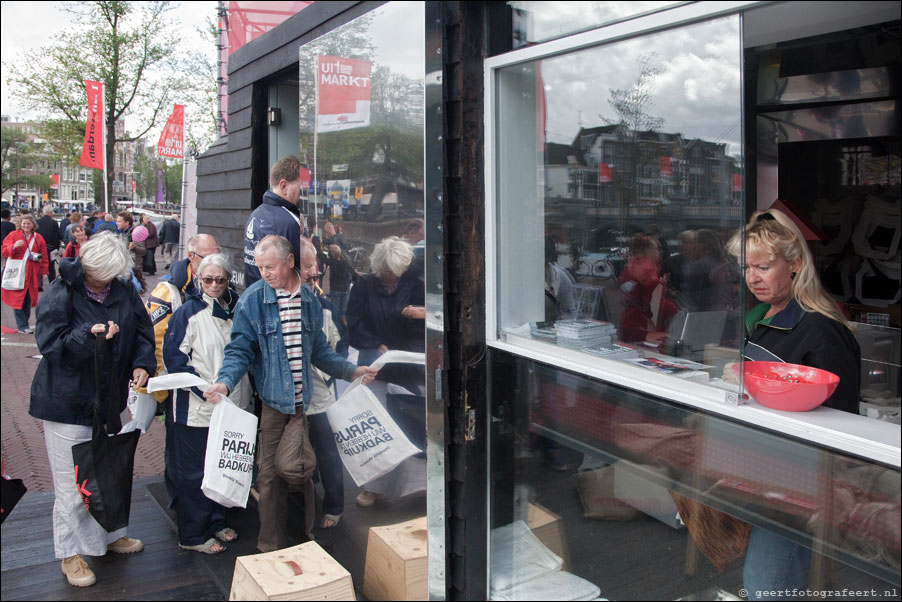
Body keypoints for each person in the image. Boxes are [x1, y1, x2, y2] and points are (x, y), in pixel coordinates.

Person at [205, 235, 377, 552]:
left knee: (302, 472)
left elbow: (321, 352)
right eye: (259, 267)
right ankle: (269, 544)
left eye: (269, 266)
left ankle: (304, 538)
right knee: (269, 475)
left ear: (289, 262)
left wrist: (351, 371)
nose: (264, 273)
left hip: (304, 404)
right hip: (273, 403)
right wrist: (225, 382)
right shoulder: (253, 300)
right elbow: (239, 350)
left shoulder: (310, 301)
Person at [725, 209, 861, 600]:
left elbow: (840, 422)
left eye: (763, 267)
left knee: (765, 586)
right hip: (764, 469)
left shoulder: (821, 331)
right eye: (746, 267)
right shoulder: (762, 317)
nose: (752, 278)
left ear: (796, 264)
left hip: (798, 480)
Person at [28, 232, 156, 587]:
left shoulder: (122, 289)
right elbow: (50, 344)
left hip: (107, 399)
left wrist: (142, 362)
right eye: (102, 275)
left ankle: (109, 535)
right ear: (88, 266)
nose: (107, 282)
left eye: (113, 275)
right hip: (67, 400)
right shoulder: (63, 289)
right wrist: (90, 334)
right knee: (73, 483)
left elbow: (143, 331)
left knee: (107, 470)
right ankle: (71, 553)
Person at [163, 253, 249, 554]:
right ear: (198, 279)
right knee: (194, 472)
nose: (213, 285)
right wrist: (203, 389)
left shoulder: (238, 309)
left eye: (220, 279)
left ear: (228, 280)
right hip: (196, 409)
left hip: (232, 405)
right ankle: (192, 533)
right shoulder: (186, 313)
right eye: (207, 279)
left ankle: (215, 520)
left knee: (222, 466)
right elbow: (174, 359)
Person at [346, 236, 425, 507]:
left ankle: (420, 484)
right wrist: (374, 343)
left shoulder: (416, 283)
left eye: (398, 270)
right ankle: (374, 487)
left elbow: (436, 319)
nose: (394, 276)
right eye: (389, 271)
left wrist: (421, 315)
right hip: (376, 364)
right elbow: (354, 323)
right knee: (377, 430)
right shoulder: (364, 286)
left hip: (409, 365)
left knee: (411, 426)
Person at [146, 233, 221, 511]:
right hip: (179, 389)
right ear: (192, 257)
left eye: (218, 253)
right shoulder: (169, 292)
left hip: (211, 392)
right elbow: (153, 339)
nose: (213, 260)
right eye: (206, 255)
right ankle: (179, 504)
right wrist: (159, 390)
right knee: (179, 454)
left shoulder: (221, 292)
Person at [243, 155, 305, 288]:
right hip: (279, 303)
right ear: (284, 186)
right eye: (302, 186)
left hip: (255, 298)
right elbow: (300, 271)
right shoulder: (288, 221)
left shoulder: (255, 214)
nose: (305, 192)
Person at [1, 214, 49, 333]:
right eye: (24, 224)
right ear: (20, 224)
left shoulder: (38, 238)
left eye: (28, 223)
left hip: (32, 272)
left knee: (28, 298)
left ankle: (25, 323)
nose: (26, 226)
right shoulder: (13, 235)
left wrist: (44, 271)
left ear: (33, 224)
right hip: (18, 272)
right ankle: (22, 325)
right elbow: (3, 250)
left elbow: (44, 255)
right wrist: (13, 247)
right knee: (18, 299)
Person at [323, 243, 358, 329]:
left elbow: (323, 258)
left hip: (335, 289)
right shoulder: (344, 263)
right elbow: (349, 274)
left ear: (331, 254)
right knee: (343, 310)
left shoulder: (331, 262)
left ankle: (335, 326)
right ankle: (343, 326)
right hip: (344, 289)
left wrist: (326, 251)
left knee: (335, 309)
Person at [37, 204, 62, 285]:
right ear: (50, 212)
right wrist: (57, 248)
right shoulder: (54, 223)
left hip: (38, 247)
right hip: (50, 247)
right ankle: (52, 283)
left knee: (38, 264)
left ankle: (39, 283)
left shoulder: (37, 222)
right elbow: (56, 237)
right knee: (51, 266)